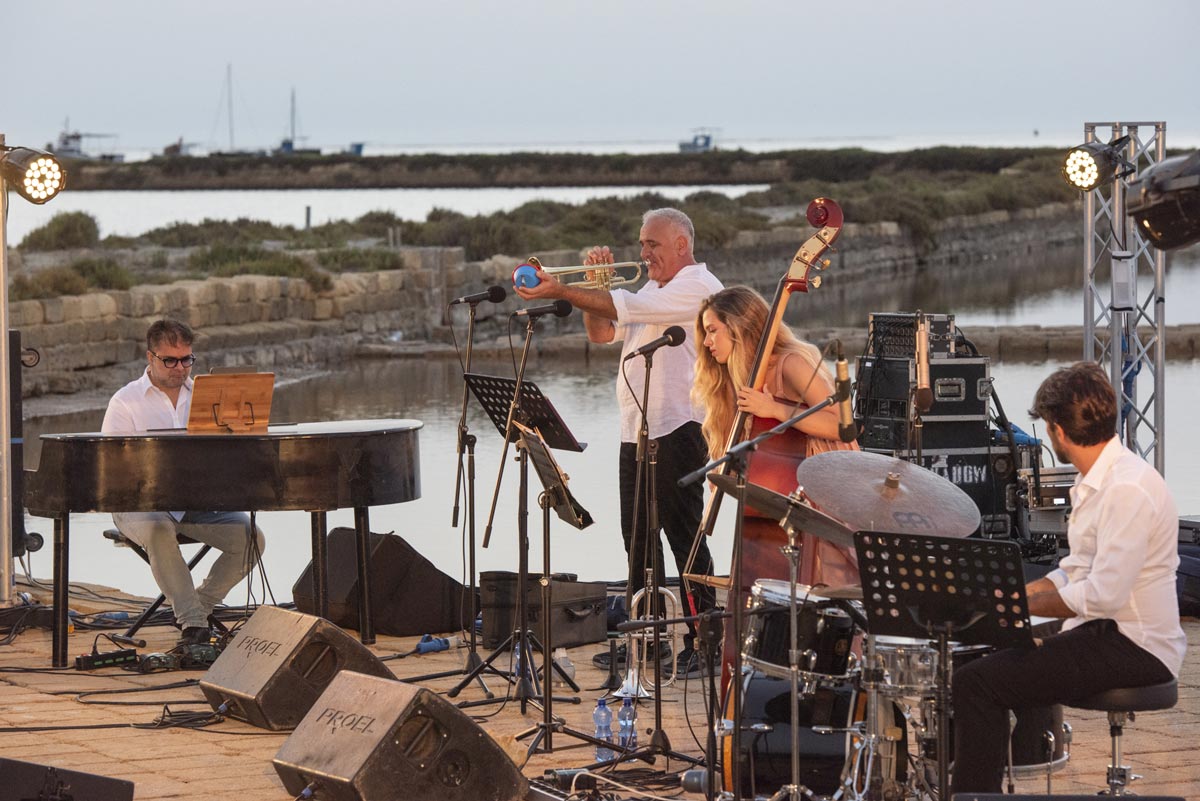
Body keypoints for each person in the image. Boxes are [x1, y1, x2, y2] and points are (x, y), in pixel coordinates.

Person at [950, 361, 1185, 796]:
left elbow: (1102, 595)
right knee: (987, 652)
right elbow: (1076, 571)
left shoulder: (1126, 489)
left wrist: (1015, 606)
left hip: (1136, 645)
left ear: (1057, 430)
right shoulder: (1099, 480)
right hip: (1106, 632)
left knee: (974, 683)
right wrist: (1012, 595)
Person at [515, 207, 723, 677]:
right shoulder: (651, 288)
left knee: (684, 536)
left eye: (652, 244)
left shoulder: (699, 288)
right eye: (642, 242)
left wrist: (564, 290)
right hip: (637, 430)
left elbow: (621, 308)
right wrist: (593, 288)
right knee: (637, 539)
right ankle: (646, 642)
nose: (643, 252)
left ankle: (705, 639)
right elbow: (604, 332)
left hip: (681, 428)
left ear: (681, 246)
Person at [102, 319, 266, 647]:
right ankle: (192, 624)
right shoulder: (125, 402)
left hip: (196, 504)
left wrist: (239, 436)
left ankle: (199, 609)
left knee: (252, 538)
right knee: (159, 529)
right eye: (170, 360)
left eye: (187, 359)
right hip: (138, 505)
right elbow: (111, 468)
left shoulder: (211, 398)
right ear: (150, 358)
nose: (180, 368)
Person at [693, 285, 860, 589]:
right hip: (789, 490)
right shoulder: (741, 376)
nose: (706, 342)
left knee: (828, 583)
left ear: (738, 327)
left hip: (826, 478)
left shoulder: (791, 362)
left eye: (712, 330)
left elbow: (841, 425)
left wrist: (774, 409)